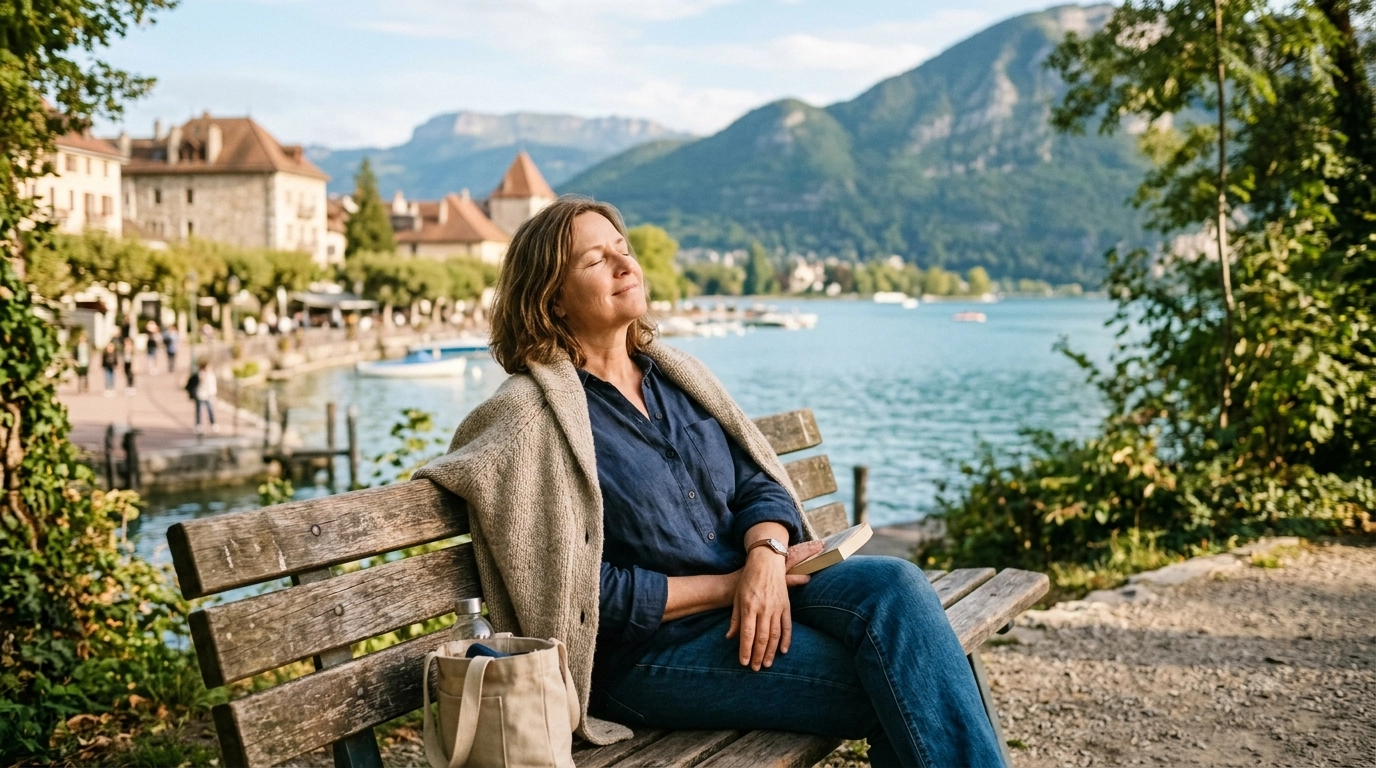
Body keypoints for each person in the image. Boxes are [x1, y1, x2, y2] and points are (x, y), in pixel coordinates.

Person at [414, 197, 1005, 768]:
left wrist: (766, 555)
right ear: (552, 301)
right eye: (596, 261)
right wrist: (737, 584)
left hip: (758, 586)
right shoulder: (531, 416)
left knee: (896, 585)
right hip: (644, 659)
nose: (626, 265)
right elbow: (586, 597)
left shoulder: (677, 376)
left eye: (624, 249)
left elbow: (759, 484)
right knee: (904, 675)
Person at [190, 360, 218, 435]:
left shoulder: (211, 375)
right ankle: (198, 425)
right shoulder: (199, 375)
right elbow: (195, 383)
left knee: (210, 410)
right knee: (199, 411)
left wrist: (213, 394)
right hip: (200, 395)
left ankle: (213, 423)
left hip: (208, 395)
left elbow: (212, 386)